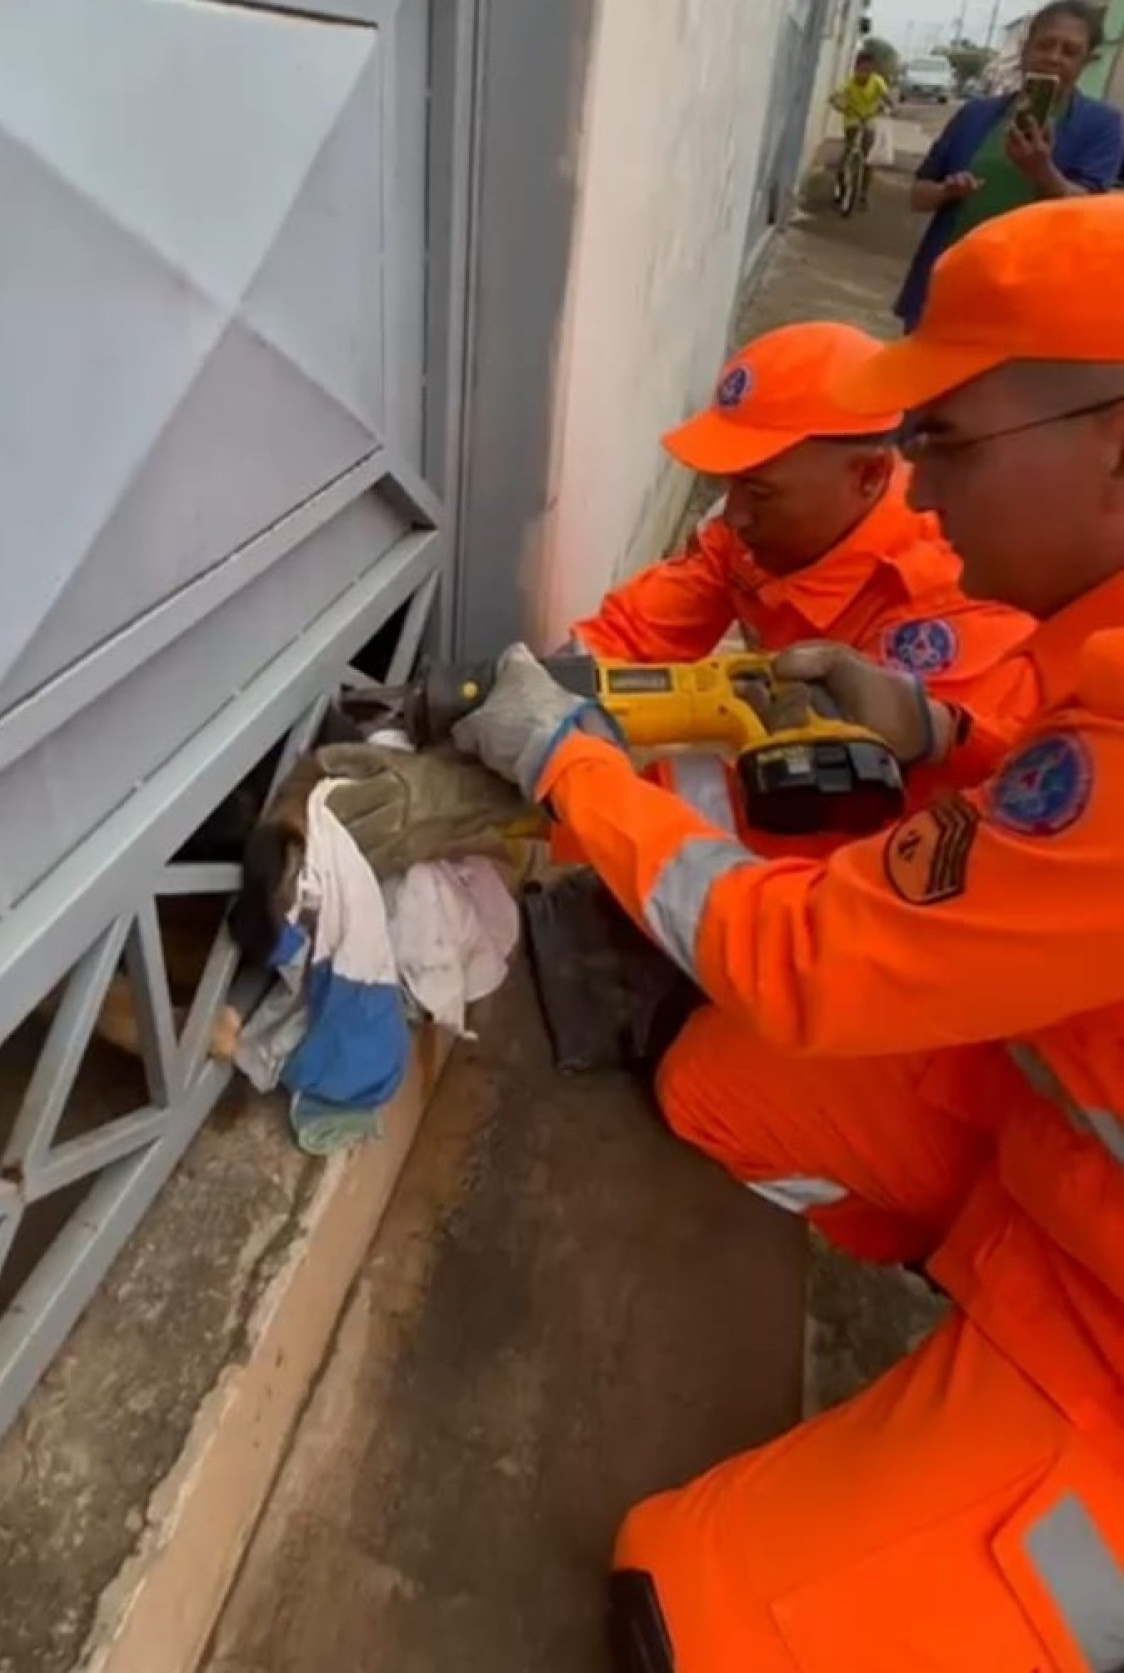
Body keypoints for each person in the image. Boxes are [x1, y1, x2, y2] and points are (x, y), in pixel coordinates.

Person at [452, 195, 1124, 1671]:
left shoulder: (1013, 633)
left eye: (949, 442)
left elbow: (824, 952)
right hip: (1045, 1162)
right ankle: (960, 1264)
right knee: (715, 1085)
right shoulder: (1083, 643)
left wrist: (567, 768)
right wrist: (942, 727)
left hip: (1105, 1323)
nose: (931, 493)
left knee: (683, 1605)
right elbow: (1034, 830)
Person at [568, 318, 1038, 829]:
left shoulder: (950, 605)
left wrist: (577, 796)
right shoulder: (757, 530)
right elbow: (636, 633)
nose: (734, 515)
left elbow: (885, 827)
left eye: (760, 492)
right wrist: (540, 693)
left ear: (868, 475)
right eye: (732, 485)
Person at [897, 0, 1123, 330]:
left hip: (1029, 303)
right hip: (948, 287)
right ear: (1025, 49)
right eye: (1045, 44)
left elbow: (1090, 214)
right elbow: (917, 196)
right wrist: (947, 190)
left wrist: (1043, 172)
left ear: (1086, 62)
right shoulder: (975, 115)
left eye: (1069, 51)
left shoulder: (1102, 126)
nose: (1054, 57)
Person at [828, 49, 892, 209]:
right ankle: (841, 182)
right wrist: (838, 103)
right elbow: (836, 95)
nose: (864, 74)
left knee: (868, 156)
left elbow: (886, 96)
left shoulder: (877, 82)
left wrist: (888, 104)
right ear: (856, 69)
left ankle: (863, 193)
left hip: (869, 117)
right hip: (852, 117)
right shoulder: (849, 83)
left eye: (868, 71)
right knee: (850, 146)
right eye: (861, 70)